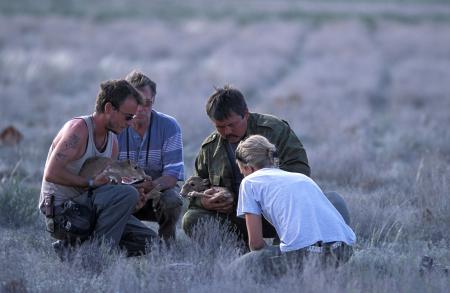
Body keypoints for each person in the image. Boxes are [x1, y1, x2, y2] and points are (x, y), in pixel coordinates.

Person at [39, 79, 157, 257]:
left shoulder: (113, 142)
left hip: (88, 210)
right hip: (62, 213)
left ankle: (74, 250)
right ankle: (96, 259)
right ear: (109, 108)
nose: (130, 123)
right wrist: (91, 182)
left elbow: (106, 193)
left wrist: (132, 203)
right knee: (127, 194)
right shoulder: (78, 130)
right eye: (128, 117)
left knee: (148, 241)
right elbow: (51, 173)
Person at [182, 85, 311, 243]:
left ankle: (284, 252)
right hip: (235, 215)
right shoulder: (210, 148)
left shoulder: (274, 130)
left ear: (246, 114)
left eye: (232, 124)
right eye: (220, 127)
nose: (227, 131)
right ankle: (237, 253)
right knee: (192, 218)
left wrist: (266, 194)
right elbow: (195, 185)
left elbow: (299, 170)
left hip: (276, 212)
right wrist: (205, 201)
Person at [228, 135, 356, 273]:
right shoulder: (301, 178)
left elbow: (256, 244)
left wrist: (272, 254)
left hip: (304, 255)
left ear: (249, 168)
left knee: (233, 271)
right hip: (343, 251)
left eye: (243, 172)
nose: (244, 176)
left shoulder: (250, 182)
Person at [117, 70, 184, 242]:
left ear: (154, 99)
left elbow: (171, 177)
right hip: (123, 193)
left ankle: (167, 246)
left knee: (172, 200)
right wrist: (131, 192)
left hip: (156, 192)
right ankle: (120, 244)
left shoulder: (169, 126)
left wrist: (149, 187)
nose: (141, 109)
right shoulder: (115, 127)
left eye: (147, 103)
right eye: (136, 103)